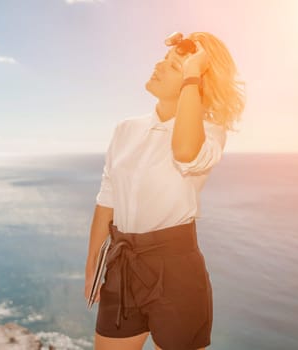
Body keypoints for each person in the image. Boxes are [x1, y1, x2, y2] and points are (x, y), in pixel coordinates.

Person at [84, 31, 246, 350]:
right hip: (122, 265)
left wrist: (191, 75)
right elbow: (107, 201)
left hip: (177, 271)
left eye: (174, 66)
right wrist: (92, 268)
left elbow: (185, 151)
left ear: (197, 80)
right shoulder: (125, 129)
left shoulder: (210, 132)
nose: (158, 65)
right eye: (164, 59)